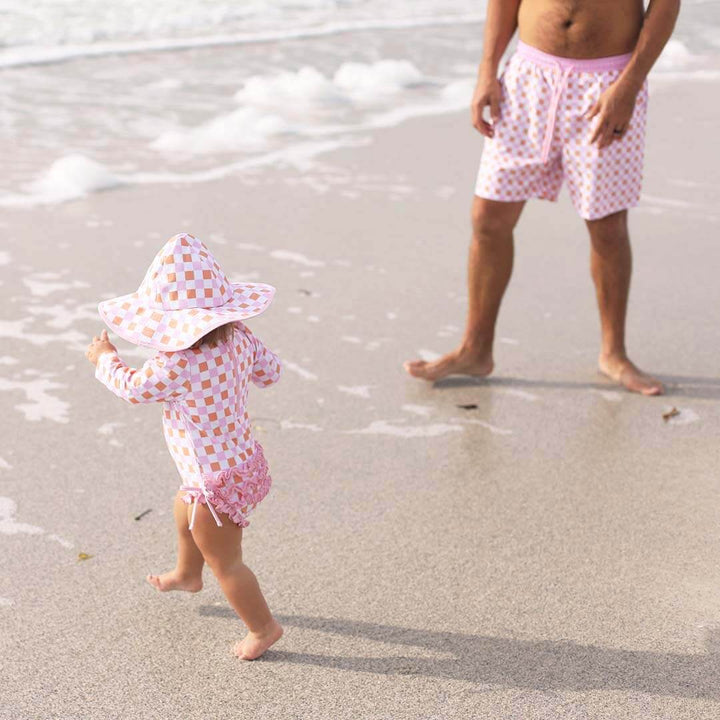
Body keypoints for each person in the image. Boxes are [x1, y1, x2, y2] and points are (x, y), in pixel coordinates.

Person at [405, 0, 680, 395]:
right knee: (488, 218)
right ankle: (475, 349)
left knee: (607, 227)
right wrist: (487, 70)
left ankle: (613, 355)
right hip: (528, 79)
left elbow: (667, 5)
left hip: (608, 84)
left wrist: (631, 84)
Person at [85, 233, 283, 661]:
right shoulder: (240, 338)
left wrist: (105, 358)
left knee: (227, 563)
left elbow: (134, 389)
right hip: (243, 462)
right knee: (182, 511)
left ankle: (262, 628)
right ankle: (187, 574)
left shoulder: (175, 363)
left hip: (213, 484)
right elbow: (271, 373)